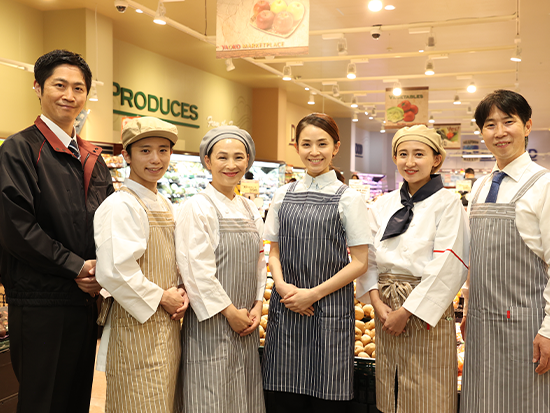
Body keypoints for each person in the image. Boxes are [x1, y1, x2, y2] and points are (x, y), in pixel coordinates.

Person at [0, 49, 114, 413]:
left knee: (75, 399)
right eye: (59, 85)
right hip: (40, 302)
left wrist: (103, 270)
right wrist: (77, 267)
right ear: (38, 87)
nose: (69, 95)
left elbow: (110, 222)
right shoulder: (19, 150)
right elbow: (16, 228)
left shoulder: (92, 158)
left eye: (78, 88)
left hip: (85, 302)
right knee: (42, 402)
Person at [262, 113, 371, 412]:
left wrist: (313, 294)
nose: (314, 151)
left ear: (335, 147)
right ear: (296, 146)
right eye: (306, 143)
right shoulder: (282, 195)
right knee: (286, 400)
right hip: (287, 309)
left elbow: (360, 262)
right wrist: (283, 288)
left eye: (322, 144)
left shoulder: (349, 198)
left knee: (327, 400)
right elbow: (274, 251)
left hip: (330, 310)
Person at [356, 125, 469, 413]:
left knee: (427, 393)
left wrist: (406, 312)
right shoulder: (383, 204)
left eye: (419, 154)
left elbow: (450, 262)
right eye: (403, 154)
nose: (410, 162)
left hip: (425, 309)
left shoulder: (448, 204)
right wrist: (377, 302)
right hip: (384, 308)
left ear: (436, 160)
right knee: (390, 389)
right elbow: (366, 254)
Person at [460, 90, 550, 412]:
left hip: (527, 326)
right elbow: (476, 258)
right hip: (482, 325)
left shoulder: (544, 185)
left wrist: (549, 331)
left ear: (526, 126)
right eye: (490, 124)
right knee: (480, 401)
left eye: (508, 122)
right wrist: (468, 309)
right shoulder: (481, 186)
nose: (499, 132)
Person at [94, 117, 188, 413]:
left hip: (164, 328)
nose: (156, 159)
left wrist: (182, 289)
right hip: (135, 329)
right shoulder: (121, 205)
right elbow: (114, 270)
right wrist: (162, 296)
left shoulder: (164, 203)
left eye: (163, 150)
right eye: (145, 151)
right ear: (127, 155)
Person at [175, 126, 266, 413]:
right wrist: (230, 312)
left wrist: (257, 304)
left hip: (246, 322)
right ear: (207, 161)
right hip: (211, 324)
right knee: (211, 397)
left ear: (248, 161)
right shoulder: (197, 207)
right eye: (222, 157)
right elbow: (195, 269)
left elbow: (260, 262)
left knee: (243, 395)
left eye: (239, 157)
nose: (231, 165)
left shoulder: (251, 209)